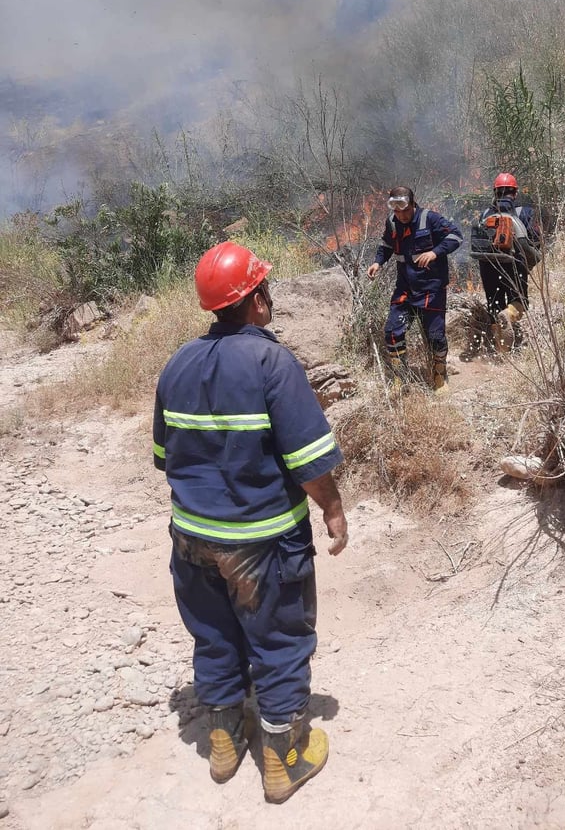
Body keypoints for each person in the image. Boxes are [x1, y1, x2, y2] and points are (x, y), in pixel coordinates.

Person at [153, 241, 348, 804]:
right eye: (267, 289)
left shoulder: (178, 363)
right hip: (261, 545)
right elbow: (309, 460)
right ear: (257, 300)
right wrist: (332, 511)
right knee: (279, 638)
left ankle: (224, 739)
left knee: (214, 635)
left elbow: (166, 458)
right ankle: (284, 759)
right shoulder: (272, 362)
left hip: (191, 539)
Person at [367, 185, 463, 392]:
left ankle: (439, 376)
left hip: (432, 289)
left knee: (435, 337)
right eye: (396, 211)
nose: (401, 215)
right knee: (392, 332)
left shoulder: (430, 218)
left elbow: (456, 236)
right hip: (405, 289)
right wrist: (377, 262)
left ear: (413, 204)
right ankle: (401, 378)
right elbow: (386, 246)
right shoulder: (392, 223)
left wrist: (435, 252)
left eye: (405, 210)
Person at [473, 173, 541, 353]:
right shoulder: (524, 213)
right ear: (515, 193)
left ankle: (502, 352)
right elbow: (535, 240)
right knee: (519, 301)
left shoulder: (485, 214)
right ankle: (509, 314)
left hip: (488, 264)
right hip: (514, 264)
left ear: (495, 192)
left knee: (494, 303)